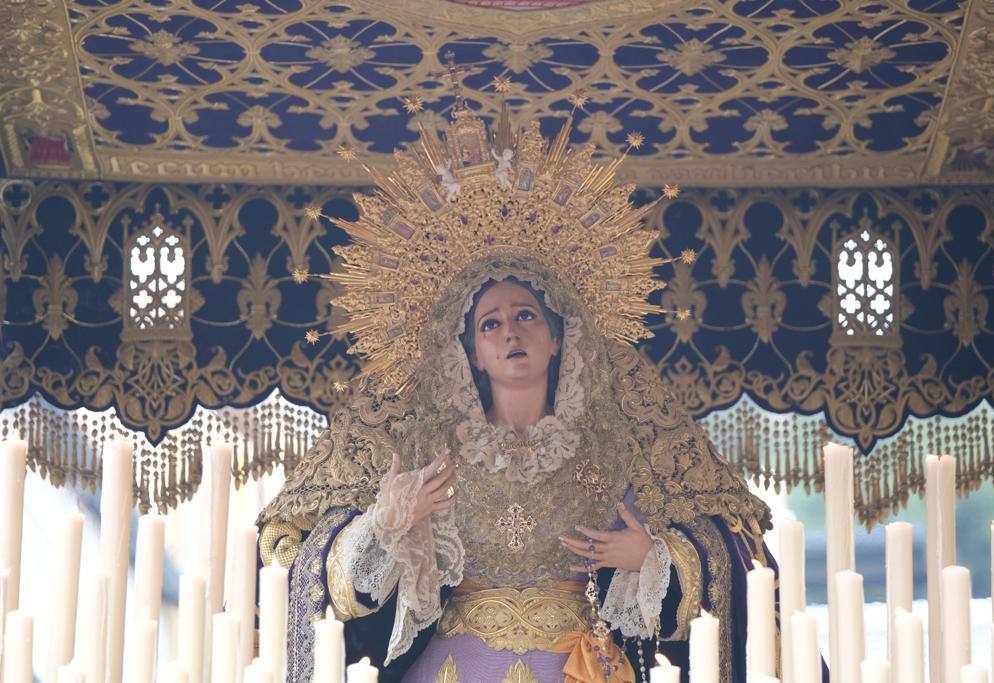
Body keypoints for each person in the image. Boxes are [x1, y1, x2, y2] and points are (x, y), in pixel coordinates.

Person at [256, 93, 820, 682]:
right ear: (471, 353)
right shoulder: (425, 446)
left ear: (558, 338)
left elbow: (728, 540)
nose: (510, 335)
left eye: (526, 316)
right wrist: (383, 525)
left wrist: (655, 559)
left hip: (581, 665)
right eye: (490, 324)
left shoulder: (616, 434)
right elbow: (296, 554)